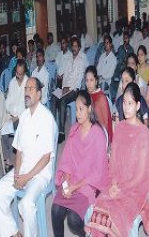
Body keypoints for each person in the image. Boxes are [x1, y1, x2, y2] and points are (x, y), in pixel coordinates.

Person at [85, 82, 149, 237]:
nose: (126, 107)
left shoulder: (143, 134)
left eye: (130, 103)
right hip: (117, 183)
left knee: (115, 216)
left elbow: (141, 175)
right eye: (124, 102)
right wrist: (113, 183)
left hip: (134, 190)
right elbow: (114, 162)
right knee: (98, 210)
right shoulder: (121, 127)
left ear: (137, 106)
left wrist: (121, 188)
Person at [0, 77, 56, 237]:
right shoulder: (24, 116)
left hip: (39, 174)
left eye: (31, 89)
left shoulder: (47, 118)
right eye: (26, 89)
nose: (27, 92)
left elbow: (46, 157)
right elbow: (18, 151)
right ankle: (13, 233)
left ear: (39, 94)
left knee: (26, 204)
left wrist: (26, 177)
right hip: (23, 170)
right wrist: (17, 174)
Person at [51, 90, 108, 237]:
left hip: (87, 185)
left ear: (89, 109)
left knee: (73, 220)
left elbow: (97, 172)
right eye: (76, 109)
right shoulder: (74, 129)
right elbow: (67, 160)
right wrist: (67, 183)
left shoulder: (98, 134)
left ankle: (85, 234)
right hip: (72, 179)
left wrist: (75, 187)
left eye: (81, 109)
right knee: (55, 210)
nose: (78, 113)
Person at [54, 37, 87, 142]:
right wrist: (63, 88)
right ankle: (55, 127)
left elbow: (78, 80)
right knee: (54, 98)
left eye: (76, 46)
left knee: (62, 101)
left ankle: (62, 132)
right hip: (66, 88)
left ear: (79, 48)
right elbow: (64, 76)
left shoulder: (81, 61)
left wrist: (69, 88)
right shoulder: (68, 60)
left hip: (75, 90)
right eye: (72, 46)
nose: (74, 48)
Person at [1, 59, 28, 170]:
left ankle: (11, 160)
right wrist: (10, 114)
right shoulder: (12, 82)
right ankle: (8, 158)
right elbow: (8, 101)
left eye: (20, 74)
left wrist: (17, 116)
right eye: (16, 72)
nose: (17, 75)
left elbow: (27, 106)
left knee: (10, 129)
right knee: (1, 128)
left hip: (22, 116)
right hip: (11, 114)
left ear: (24, 72)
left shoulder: (28, 83)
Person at [84, 66, 113, 143]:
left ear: (96, 81)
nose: (89, 84)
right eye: (87, 80)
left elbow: (104, 123)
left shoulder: (101, 98)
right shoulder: (86, 95)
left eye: (91, 80)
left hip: (100, 133)